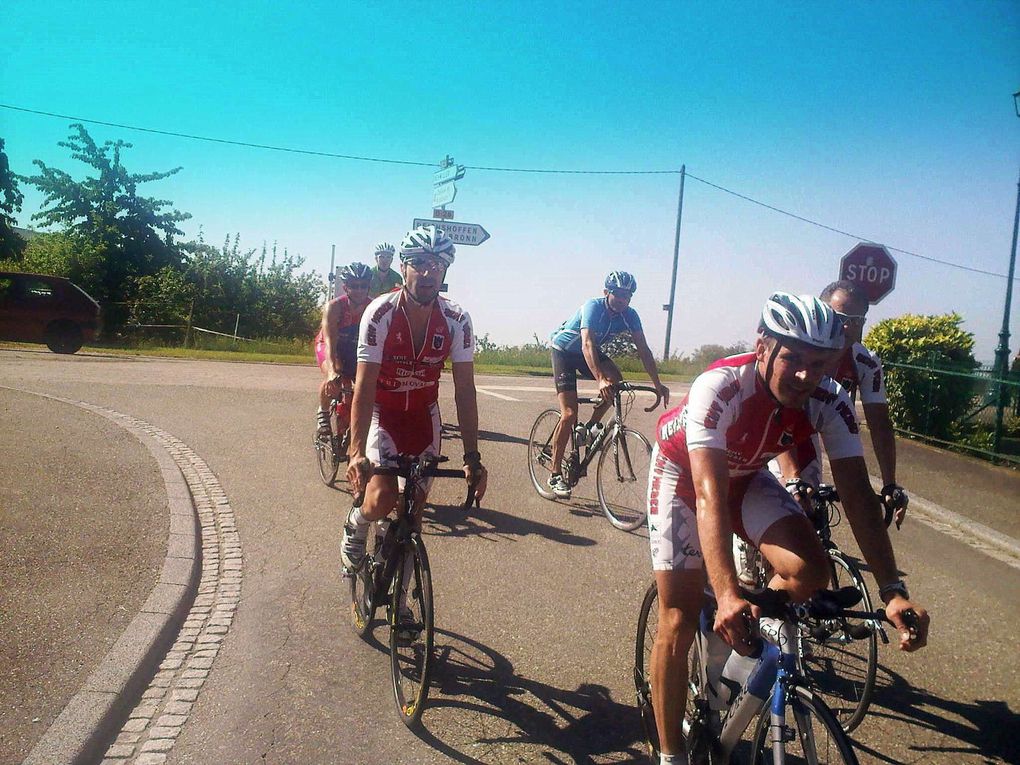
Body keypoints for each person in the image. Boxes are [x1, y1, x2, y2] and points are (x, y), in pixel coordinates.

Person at [647, 292, 930, 765]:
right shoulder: (718, 387)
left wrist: (892, 590)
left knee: (810, 572)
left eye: (819, 362)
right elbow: (710, 496)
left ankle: (733, 653)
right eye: (792, 358)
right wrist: (726, 589)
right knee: (677, 615)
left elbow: (859, 498)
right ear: (762, 347)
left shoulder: (829, 401)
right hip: (685, 479)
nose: (805, 374)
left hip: (746, 475)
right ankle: (671, 756)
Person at [340, 225, 488, 601]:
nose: (428, 272)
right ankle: (356, 525)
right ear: (403, 268)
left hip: (423, 418)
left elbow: (465, 391)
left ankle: (401, 604)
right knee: (382, 499)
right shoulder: (380, 313)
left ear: (445, 271)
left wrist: (473, 457)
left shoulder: (457, 319)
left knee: (416, 516)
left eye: (437, 265)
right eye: (419, 263)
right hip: (382, 414)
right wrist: (356, 453)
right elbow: (365, 385)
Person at [772, 280, 908, 527]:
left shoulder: (865, 362)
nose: (847, 326)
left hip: (808, 431)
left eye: (857, 320)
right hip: (774, 426)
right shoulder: (797, 353)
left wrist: (890, 482)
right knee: (779, 500)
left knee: (810, 507)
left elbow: (879, 424)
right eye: (840, 317)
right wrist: (791, 476)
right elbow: (777, 411)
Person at [545, 271, 670, 499]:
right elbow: (588, 344)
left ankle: (591, 426)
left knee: (617, 381)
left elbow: (643, 349)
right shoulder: (593, 307)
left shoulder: (630, 315)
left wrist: (658, 384)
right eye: (619, 294)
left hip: (587, 352)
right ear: (606, 293)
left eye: (628, 296)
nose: (623, 300)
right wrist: (599, 378)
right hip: (565, 351)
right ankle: (554, 474)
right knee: (570, 413)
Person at [314, 262, 373, 437]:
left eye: (363, 286)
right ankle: (323, 413)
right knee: (336, 376)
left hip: (354, 346)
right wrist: (332, 371)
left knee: (364, 384)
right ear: (346, 287)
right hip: (329, 344)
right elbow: (330, 342)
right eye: (355, 286)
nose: (359, 290)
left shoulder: (373, 307)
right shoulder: (334, 307)